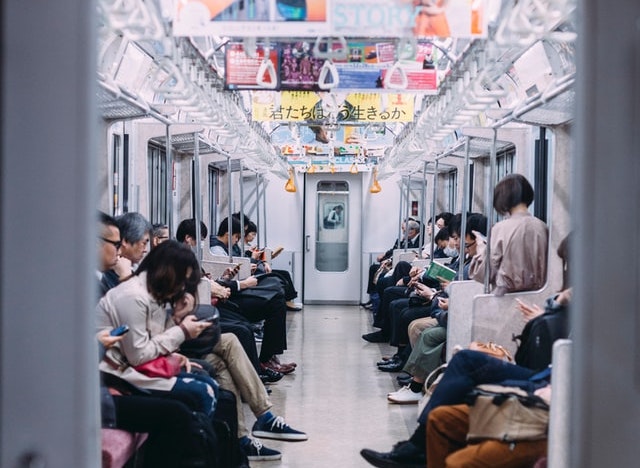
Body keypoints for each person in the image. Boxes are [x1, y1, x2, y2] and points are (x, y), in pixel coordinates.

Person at [96, 213, 232, 468]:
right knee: (196, 396)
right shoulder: (131, 292)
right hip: (116, 377)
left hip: (120, 370)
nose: (119, 253)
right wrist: (181, 330)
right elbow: (137, 353)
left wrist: (177, 321)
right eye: (116, 245)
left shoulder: (145, 291)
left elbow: (150, 337)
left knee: (215, 382)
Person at [469, 173, 548, 296]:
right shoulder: (542, 227)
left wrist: (481, 249)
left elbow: (485, 274)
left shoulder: (500, 229)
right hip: (539, 299)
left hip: (506, 300)